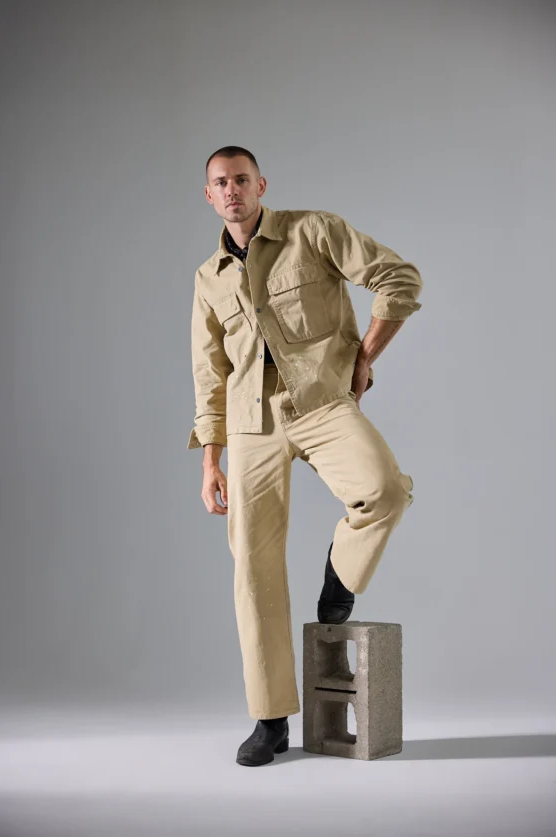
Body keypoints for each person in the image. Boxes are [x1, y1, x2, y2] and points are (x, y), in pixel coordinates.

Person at [188, 145, 423, 767]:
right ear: (208, 196)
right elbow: (209, 375)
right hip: (248, 425)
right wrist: (211, 460)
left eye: (242, 178)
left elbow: (400, 279)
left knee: (385, 490)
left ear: (261, 184)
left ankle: (337, 587)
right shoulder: (207, 277)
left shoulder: (313, 231)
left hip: (321, 402)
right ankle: (269, 719)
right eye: (220, 183)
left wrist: (365, 354)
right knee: (253, 569)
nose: (233, 189)